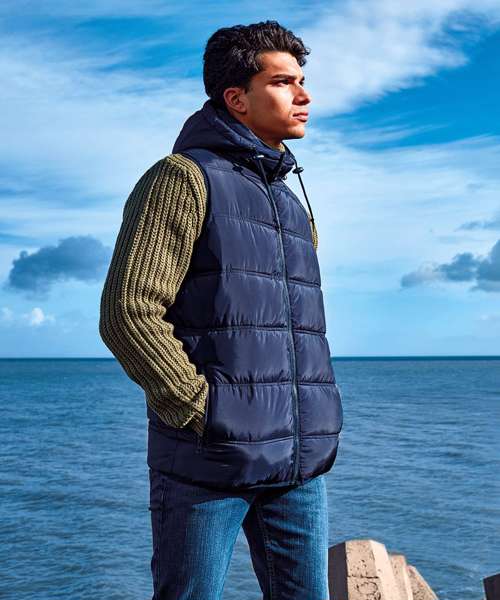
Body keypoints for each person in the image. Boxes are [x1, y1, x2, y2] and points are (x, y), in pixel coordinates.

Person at [99, 19, 343, 600]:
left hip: (297, 464)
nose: (304, 96)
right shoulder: (182, 179)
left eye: (302, 81)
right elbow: (129, 311)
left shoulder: (290, 203)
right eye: (283, 82)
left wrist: (316, 420)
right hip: (208, 462)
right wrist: (199, 410)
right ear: (236, 98)